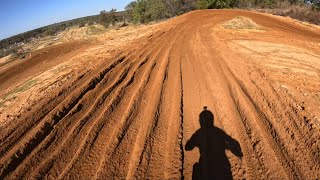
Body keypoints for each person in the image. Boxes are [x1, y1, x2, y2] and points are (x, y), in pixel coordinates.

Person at [185, 106, 243, 180]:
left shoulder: (199, 133)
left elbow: (187, 147)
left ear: (200, 121)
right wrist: (238, 151)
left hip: (206, 167)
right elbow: (231, 142)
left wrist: (194, 143)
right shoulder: (218, 132)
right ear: (212, 120)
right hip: (221, 167)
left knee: (196, 168)